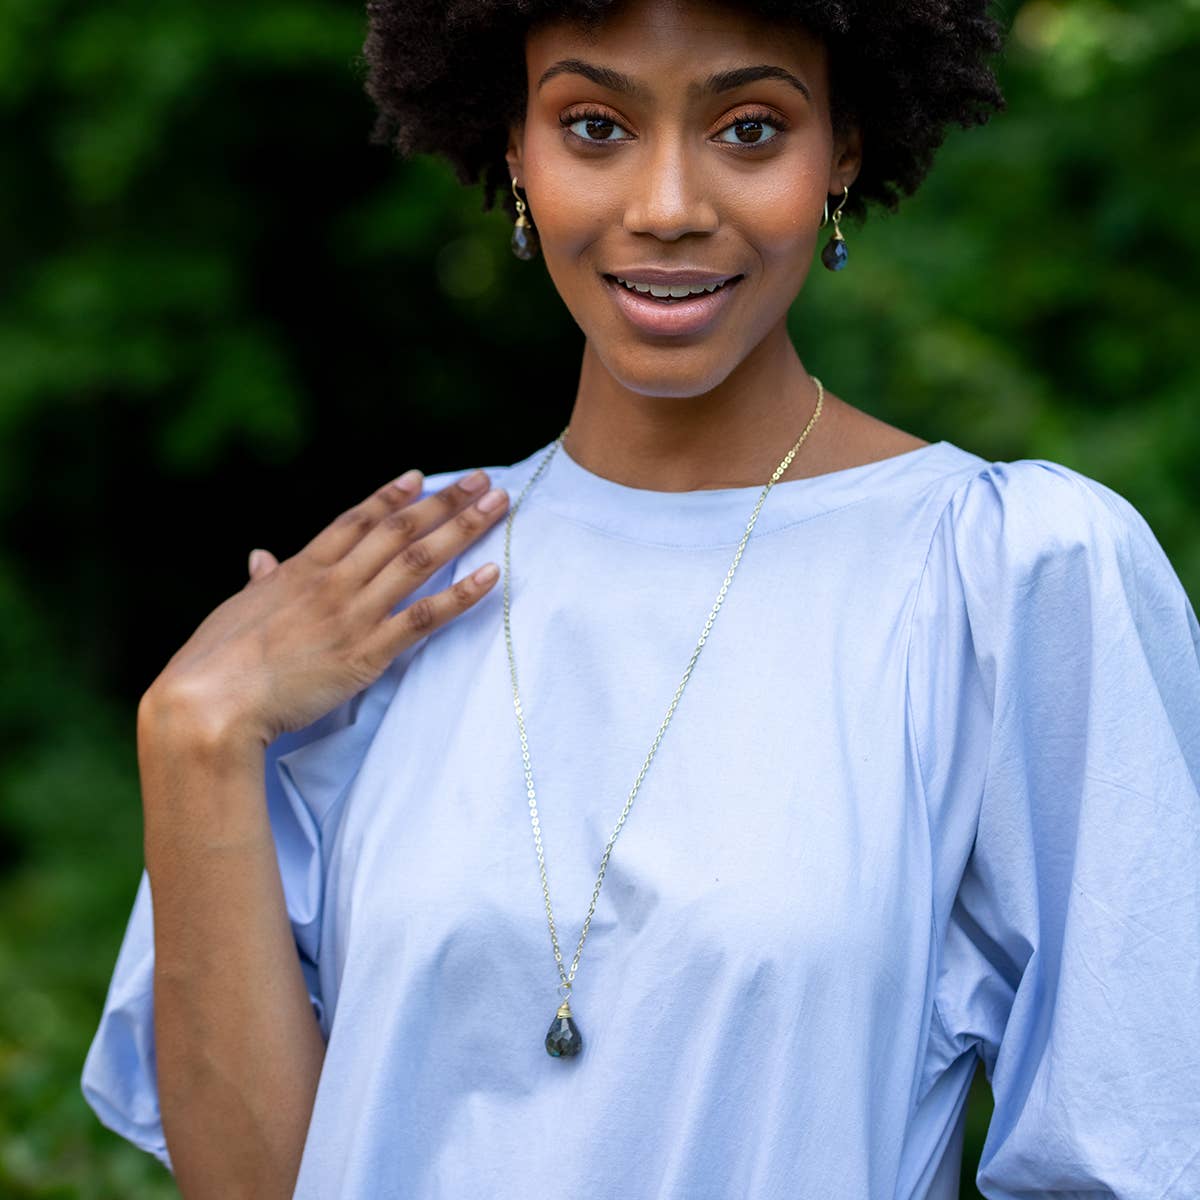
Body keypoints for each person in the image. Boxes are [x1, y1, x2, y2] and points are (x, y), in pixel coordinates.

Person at [81, 1, 1200, 1196]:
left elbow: (1139, 1146)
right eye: (596, 124)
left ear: (848, 147)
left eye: (752, 127)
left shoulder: (1005, 571)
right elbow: (254, 1184)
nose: (667, 205)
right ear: (516, 146)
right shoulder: (382, 590)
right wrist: (195, 737)